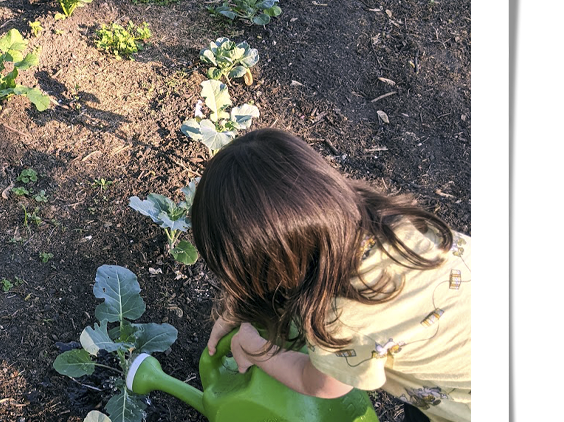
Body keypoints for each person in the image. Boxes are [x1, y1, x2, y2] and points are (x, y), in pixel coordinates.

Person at [190, 128, 470, 422]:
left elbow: (321, 385)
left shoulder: (344, 318)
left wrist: (259, 350)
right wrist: (245, 308)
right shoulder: (389, 222)